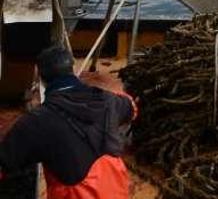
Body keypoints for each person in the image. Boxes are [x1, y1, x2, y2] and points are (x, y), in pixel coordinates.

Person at [0, 45, 137, 198]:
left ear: (41, 78)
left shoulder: (37, 121)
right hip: (117, 192)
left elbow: (4, 162)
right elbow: (131, 107)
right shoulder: (110, 101)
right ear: (71, 69)